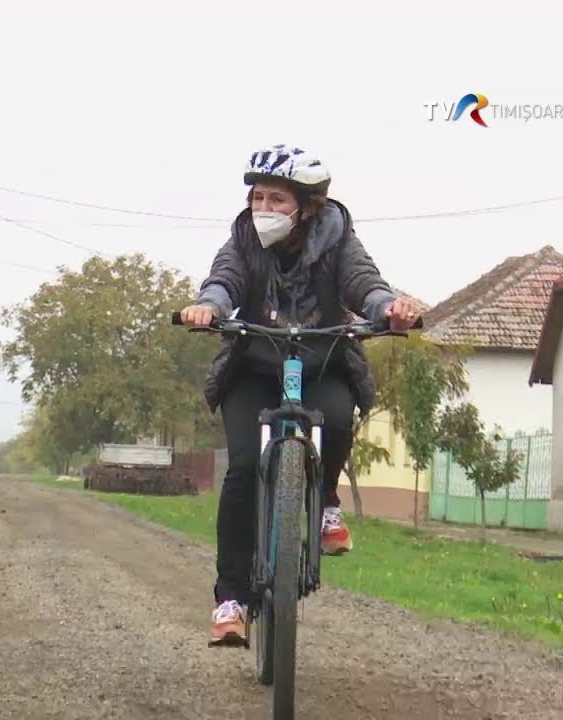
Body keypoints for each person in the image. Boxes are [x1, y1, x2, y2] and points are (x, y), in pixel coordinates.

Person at [177, 144, 421, 647]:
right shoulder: (244, 236)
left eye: (277, 201)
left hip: (321, 358)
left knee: (334, 418)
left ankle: (326, 499)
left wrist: (388, 308)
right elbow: (224, 279)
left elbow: (363, 283)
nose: (263, 210)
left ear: (307, 207)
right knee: (244, 469)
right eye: (257, 198)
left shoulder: (337, 237)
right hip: (254, 365)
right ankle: (230, 599)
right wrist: (207, 306)